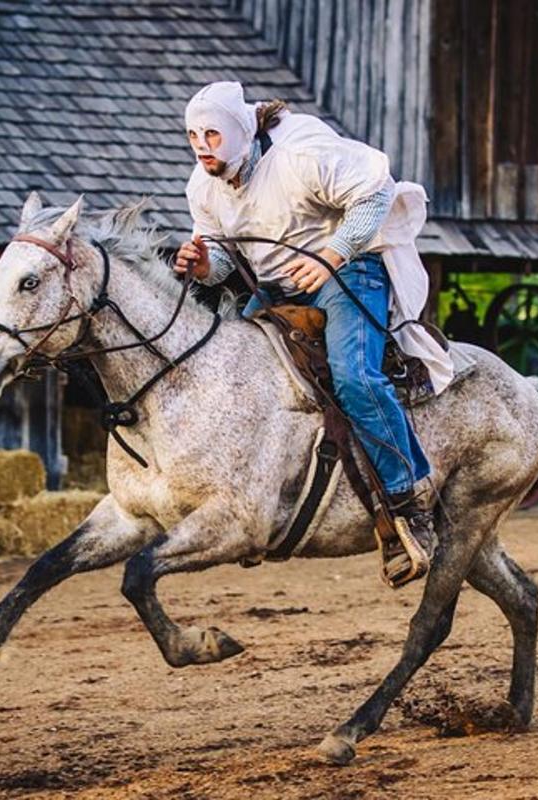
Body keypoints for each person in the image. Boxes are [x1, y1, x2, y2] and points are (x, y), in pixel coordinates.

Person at [173, 81, 453, 585]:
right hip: (278, 287)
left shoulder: (300, 155)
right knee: (229, 375)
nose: (201, 145)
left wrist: (332, 255)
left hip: (348, 271)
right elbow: (218, 264)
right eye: (193, 135)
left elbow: (375, 196)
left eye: (211, 134)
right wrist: (200, 264)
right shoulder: (203, 186)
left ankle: (411, 501)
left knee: (354, 378)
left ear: (240, 131)